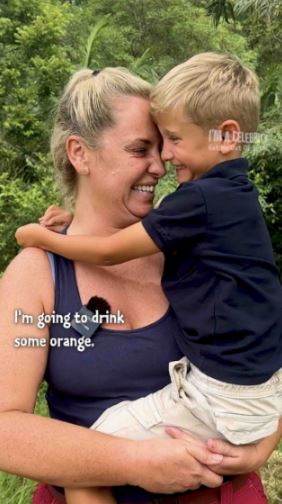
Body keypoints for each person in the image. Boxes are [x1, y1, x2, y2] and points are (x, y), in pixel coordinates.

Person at [16, 55, 282, 504]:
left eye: (166, 144)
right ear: (79, 153)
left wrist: (265, 441)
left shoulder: (191, 244)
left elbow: (257, 343)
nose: (161, 164)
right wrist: (130, 463)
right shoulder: (39, 271)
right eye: (141, 149)